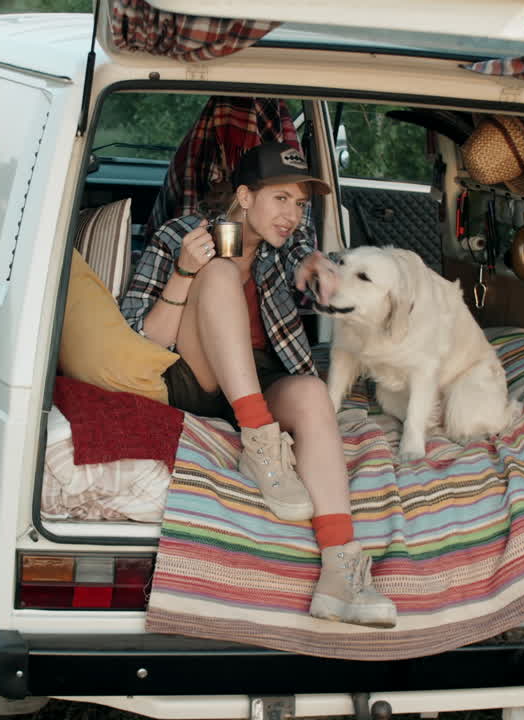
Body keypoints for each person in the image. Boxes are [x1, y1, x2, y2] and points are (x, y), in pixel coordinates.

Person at [120, 141, 396, 628]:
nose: (291, 214)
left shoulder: (281, 246)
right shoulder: (179, 235)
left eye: (300, 204)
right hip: (192, 373)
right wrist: (187, 271)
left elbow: (315, 261)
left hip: (258, 372)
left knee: (312, 395)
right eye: (280, 199)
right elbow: (139, 334)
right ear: (245, 197)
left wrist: (316, 263)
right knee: (221, 270)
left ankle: (341, 570)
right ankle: (260, 442)